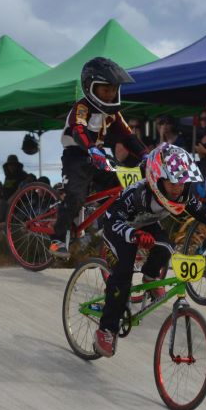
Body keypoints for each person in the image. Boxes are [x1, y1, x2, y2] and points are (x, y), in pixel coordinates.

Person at [93, 144, 206, 357]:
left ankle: (150, 276)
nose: (178, 188)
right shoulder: (137, 194)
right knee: (123, 275)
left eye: (182, 182)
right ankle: (106, 329)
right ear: (156, 178)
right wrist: (132, 234)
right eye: (172, 183)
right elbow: (112, 221)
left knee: (166, 247)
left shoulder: (182, 195)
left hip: (145, 225)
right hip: (119, 228)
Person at [49, 57, 149, 259]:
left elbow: (128, 137)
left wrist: (146, 154)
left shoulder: (114, 112)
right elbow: (78, 130)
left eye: (114, 89)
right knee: (75, 197)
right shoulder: (82, 108)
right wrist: (91, 149)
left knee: (124, 187)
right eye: (106, 90)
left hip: (100, 156)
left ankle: (112, 225)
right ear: (91, 88)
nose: (111, 94)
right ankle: (57, 239)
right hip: (76, 156)